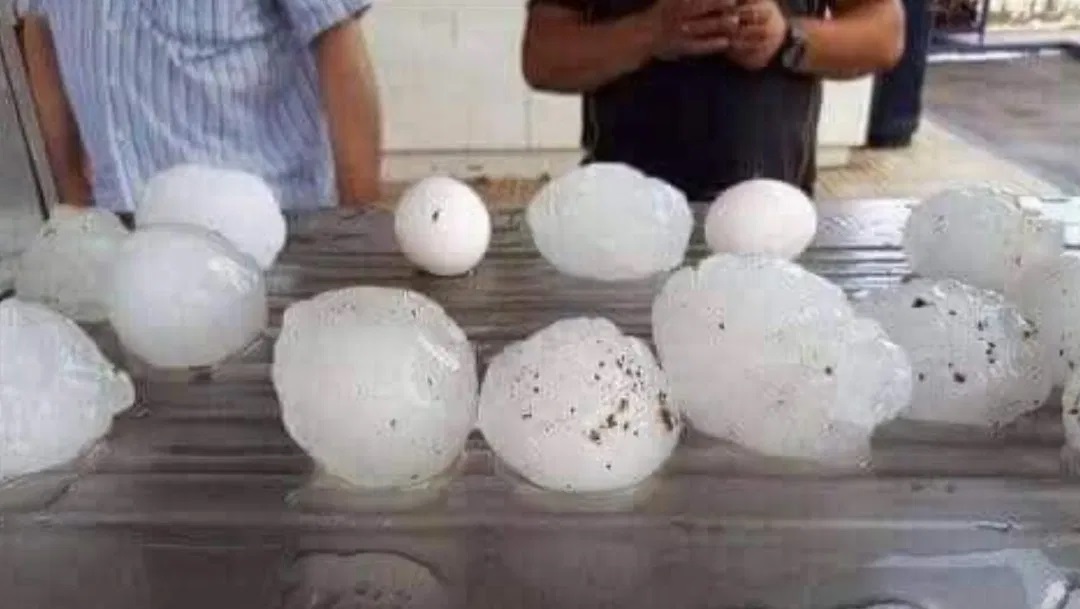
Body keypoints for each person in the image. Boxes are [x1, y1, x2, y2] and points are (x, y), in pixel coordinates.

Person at [16, 0, 382, 213]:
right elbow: (39, 26)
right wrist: (72, 196)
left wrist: (356, 226)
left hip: (269, 240)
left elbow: (337, 41)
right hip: (119, 238)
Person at [521, 0, 905, 201]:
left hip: (769, 210)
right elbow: (543, 57)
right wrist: (651, 32)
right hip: (624, 213)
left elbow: (885, 32)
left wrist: (788, 39)